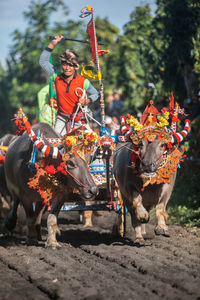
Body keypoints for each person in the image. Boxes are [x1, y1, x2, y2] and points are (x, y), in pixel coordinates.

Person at [39, 35, 99, 136]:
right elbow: (43, 61)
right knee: (57, 144)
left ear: (75, 66)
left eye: (70, 65)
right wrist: (53, 44)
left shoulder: (83, 81)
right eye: (65, 64)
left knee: (89, 143)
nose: (67, 68)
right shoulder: (56, 76)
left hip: (79, 119)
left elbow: (96, 94)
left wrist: (87, 101)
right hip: (61, 119)